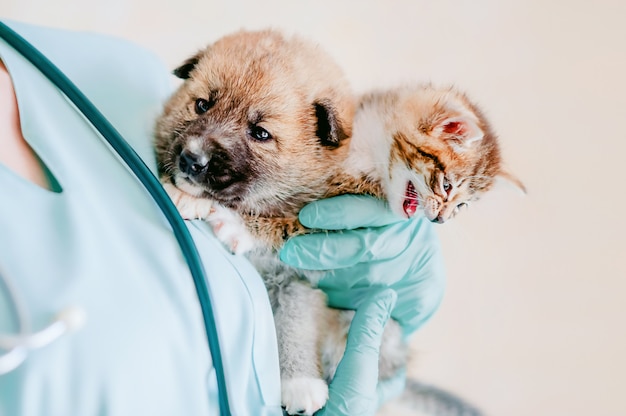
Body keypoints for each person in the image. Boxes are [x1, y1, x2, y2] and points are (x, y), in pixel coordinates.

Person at [0, 19, 446, 416]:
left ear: (325, 139)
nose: (197, 146)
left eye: (260, 133)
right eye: (201, 106)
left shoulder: (115, 68)